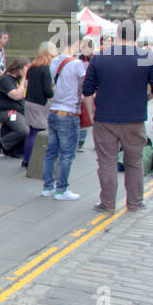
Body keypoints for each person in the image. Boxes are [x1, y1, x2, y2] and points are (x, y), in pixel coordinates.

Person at [82, 34, 153, 213]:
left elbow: (87, 89)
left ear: (116, 37)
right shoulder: (146, 57)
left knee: (107, 162)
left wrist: (91, 113)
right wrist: (146, 98)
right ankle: (135, 203)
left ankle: (107, 204)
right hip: (134, 119)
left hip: (105, 118)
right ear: (136, 37)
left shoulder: (100, 57)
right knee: (134, 162)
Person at [41, 44, 90, 200]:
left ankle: (48, 187)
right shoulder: (77, 64)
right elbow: (85, 86)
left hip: (54, 110)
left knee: (51, 152)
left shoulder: (54, 62)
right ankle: (61, 190)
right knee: (67, 154)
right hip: (69, 112)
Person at [22, 43, 55, 168]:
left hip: (29, 102)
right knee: (38, 133)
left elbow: (26, 84)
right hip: (40, 104)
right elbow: (47, 90)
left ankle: (26, 159)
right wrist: (53, 94)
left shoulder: (32, 67)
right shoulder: (46, 69)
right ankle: (31, 160)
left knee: (32, 132)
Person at [0, 56, 30, 159]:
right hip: (6, 111)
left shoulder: (17, 79)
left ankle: (14, 150)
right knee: (23, 130)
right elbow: (16, 95)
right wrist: (24, 79)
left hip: (18, 110)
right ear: (20, 69)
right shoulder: (5, 80)